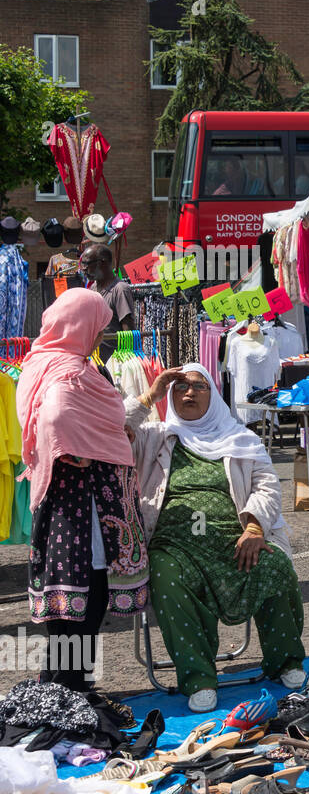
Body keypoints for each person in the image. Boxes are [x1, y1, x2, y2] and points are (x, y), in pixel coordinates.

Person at [127, 364, 306, 712]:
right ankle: (198, 677)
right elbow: (111, 431)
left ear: (214, 394)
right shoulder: (154, 437)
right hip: (174, 545)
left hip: (236, 540)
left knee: (274, 565)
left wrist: (254, 527)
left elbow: (267, 485)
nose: (188, 393)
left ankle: (285, 660)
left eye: (198, 386)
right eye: (179, 388)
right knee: (166, 577)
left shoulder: (241, 438)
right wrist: (150, 395)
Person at [17, 289, 150, 691]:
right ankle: (71, 689)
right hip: (82, 500)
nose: (102, 334)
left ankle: (63, 684)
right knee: (85, 593)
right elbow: (57, 417)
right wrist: (78, 450)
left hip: (59, 501)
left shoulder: (39, 362)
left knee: (67, 596)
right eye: (98, 326)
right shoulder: (70, 370)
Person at [79, 243, 135, 358]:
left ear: (102, 263)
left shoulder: (120, 289)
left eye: (87, 264)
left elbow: (128, 328)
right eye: (82, 264)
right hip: (95, 361)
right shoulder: (92, 288)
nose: (84, 269)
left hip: (114, 363)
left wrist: (126, 361)